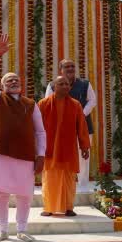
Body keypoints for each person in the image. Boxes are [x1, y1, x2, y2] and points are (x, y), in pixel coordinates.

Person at [0, 33, 45, 242]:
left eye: (16, 79)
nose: (13, 81)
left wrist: (41, 155)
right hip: (1, 152)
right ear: (3, 86)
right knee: (1, 194)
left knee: (24, 194)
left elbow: (40, 131)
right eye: (8, 80)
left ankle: (22, 229)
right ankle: (3, 230)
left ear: (21, 84)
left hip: (24, 154)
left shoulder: (31, 104)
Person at [38, 75, 90, 217]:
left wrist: (85, 146)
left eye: (67, 84)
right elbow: (36, 128)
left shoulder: (75, 104)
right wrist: (37, 148)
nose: (66, 86)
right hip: (50, 148)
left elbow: (82, 127)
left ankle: (68, 207)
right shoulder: (43, 104)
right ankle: (48, 207)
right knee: (49, 178)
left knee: (68, 179)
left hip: (68, 148)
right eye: (61, 84)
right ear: (54, 87)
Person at [44, 58, 96, 180]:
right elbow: (48, 104)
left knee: (83, 156)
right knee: (64, 155)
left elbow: (92, 101)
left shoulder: (85, 84)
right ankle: (66, 183)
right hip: (61, 128)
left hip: (84, 126)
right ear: (61, 70)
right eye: (67, 67)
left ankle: (83, 185)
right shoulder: (52, 85)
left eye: (72, 66)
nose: (70, 69)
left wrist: (80, 115)